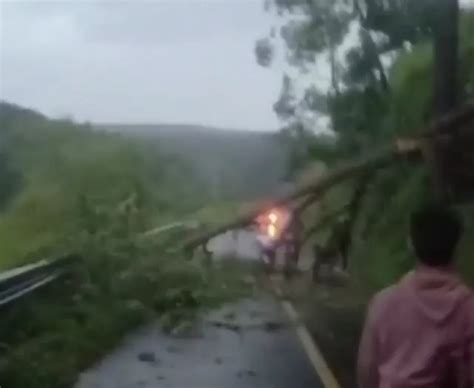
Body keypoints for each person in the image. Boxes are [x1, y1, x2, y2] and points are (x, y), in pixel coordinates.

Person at [357, 205, 473, 388]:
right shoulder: (468, 308)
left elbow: (367, 369)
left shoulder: (383, 302)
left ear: (411, 244)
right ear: (456, 246)